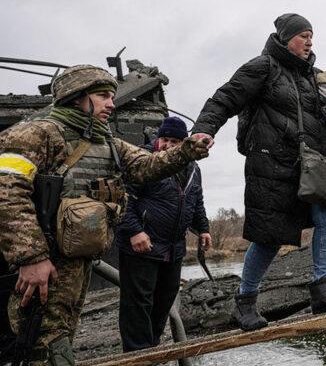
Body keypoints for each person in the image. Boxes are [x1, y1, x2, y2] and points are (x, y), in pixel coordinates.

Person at [0, 65, 209, 365]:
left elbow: (147, 166)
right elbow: (6, 192)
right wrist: (31, 257)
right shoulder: (35, 135)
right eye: (102, 96)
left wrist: (188, 149)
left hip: (78, 264)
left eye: (112, 95)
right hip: (44, 265)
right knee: (40, 344)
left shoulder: (106, 142)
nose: (112, 103)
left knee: (59, 338)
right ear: (77, 98)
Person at [190, 13, 326, 331]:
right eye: (303, 35)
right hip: (272, 166)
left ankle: (322, 289)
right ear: (285, 37)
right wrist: (203, 129)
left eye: (312, 36)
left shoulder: (317, 77)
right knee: (269, 237)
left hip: (317, 163)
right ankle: (245, 302)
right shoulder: (263, 66)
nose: (309, 41)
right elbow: (224, 98)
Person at [115, 116, 212, 352]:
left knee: (164, 300)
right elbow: (121, 198)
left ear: (184, 143)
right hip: (141, 246)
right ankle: (138, 354)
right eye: (165, 139)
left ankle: (152, 348)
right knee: (138, 303)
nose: (169, 145)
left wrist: (203, 228)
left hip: (173, 248)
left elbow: (195, 200)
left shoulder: (193, 168)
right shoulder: (142, 160)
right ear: (159, 139)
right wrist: (135, 231)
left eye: (176, 141)